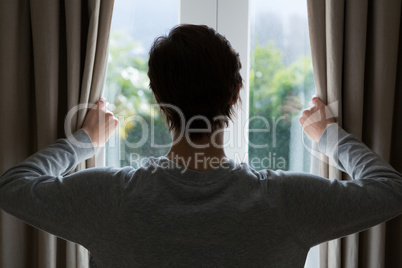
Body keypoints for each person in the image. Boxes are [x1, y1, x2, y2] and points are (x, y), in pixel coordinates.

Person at [0, 24, 401, 268]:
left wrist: (83, 141)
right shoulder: (284, 200)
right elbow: (390, 190)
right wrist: (329, 136)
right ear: (236, 94)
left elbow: (13, 186)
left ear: (159, 99)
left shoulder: (110, 197)